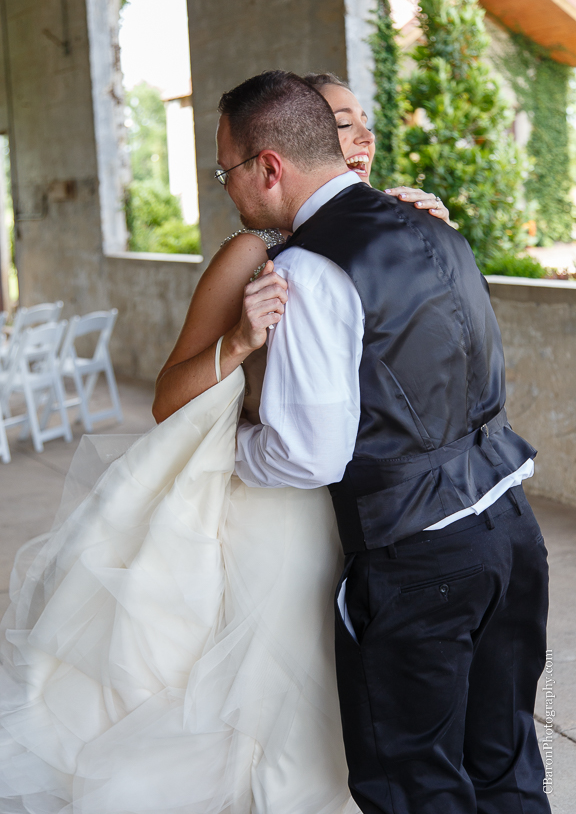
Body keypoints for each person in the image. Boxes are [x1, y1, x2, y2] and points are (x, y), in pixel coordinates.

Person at [0, 77, 449, 813]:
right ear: (297, 146)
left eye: (366, 123)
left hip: (365, 510)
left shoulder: (392, 235)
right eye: (343, 122)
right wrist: (241, 340)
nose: (361, 138)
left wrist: (439, 231)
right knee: (269, 699)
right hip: (278, 511)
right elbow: (165, 398)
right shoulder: (252, 251)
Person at [217, 70, 550, 814]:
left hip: (421, 558)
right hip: (511, 532)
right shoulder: (434, 223)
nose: (228, 191)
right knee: (504, 767)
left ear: (268, 167)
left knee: (414, 788)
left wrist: (231, 448)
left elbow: (309, 454)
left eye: (226, 172)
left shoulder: (308, 269)